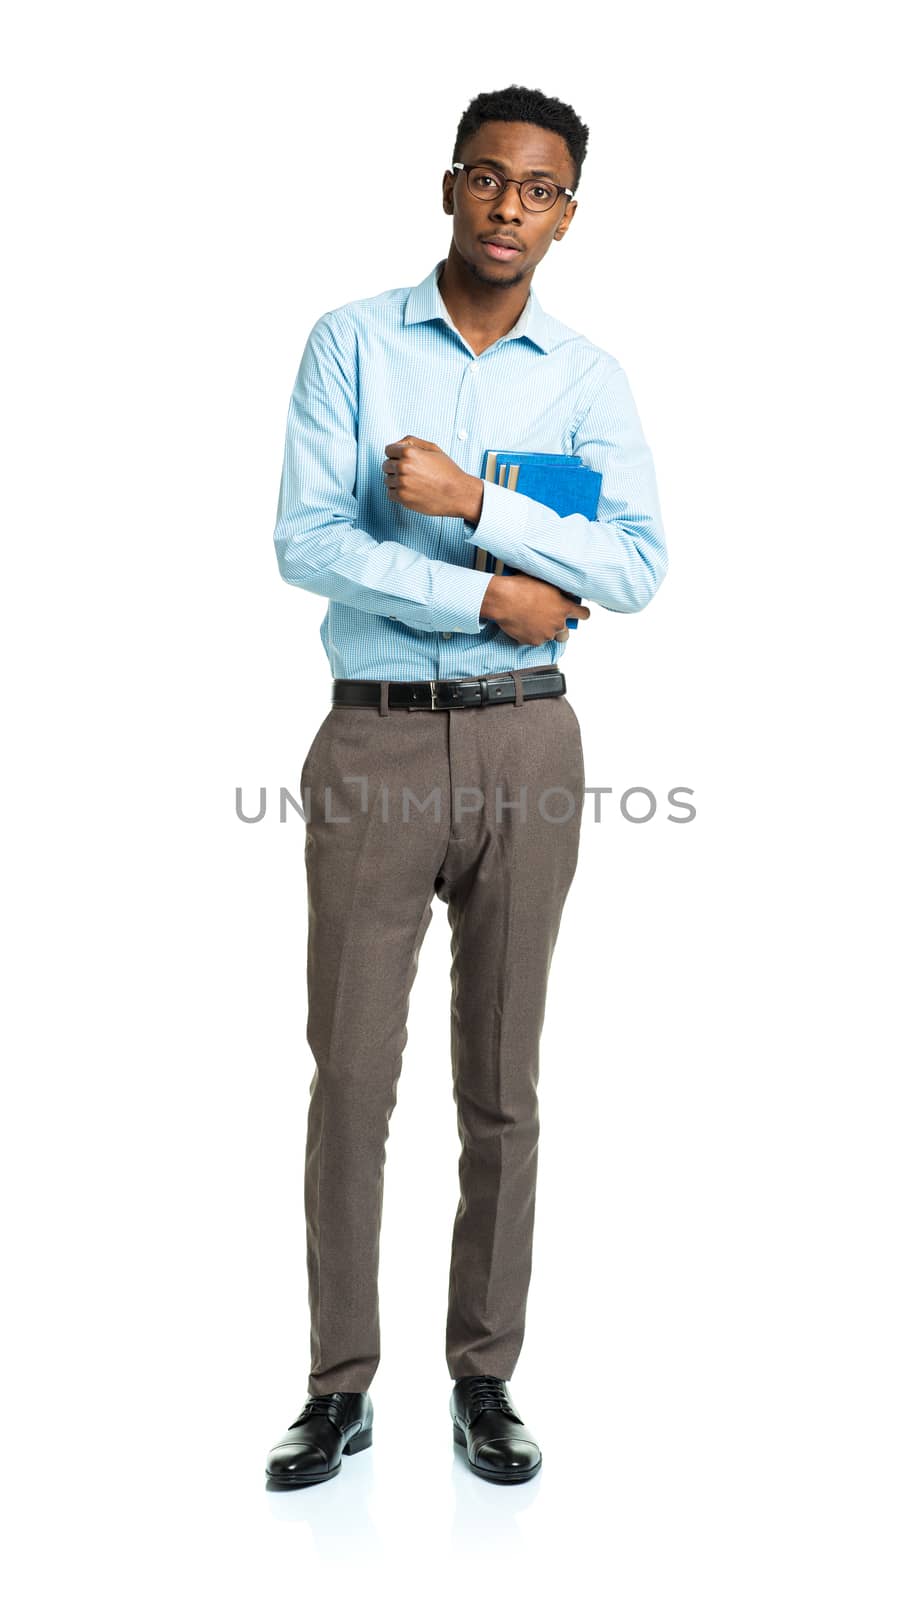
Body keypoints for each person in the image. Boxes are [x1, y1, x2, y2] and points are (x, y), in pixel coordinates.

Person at [265, 83, 668, 1489]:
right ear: (450, 186)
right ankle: (338, 1387)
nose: (510, 207)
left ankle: (483, 1378)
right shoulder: (353, 344)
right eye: (488, 178)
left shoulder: (587, 376)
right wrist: (485, 595)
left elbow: (634, 570)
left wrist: (482, 510)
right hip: (374, 739)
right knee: (354, 1077)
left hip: (529, 747)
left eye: (540, 187)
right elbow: (307, 540)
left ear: (569, 212)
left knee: (503, 1082)